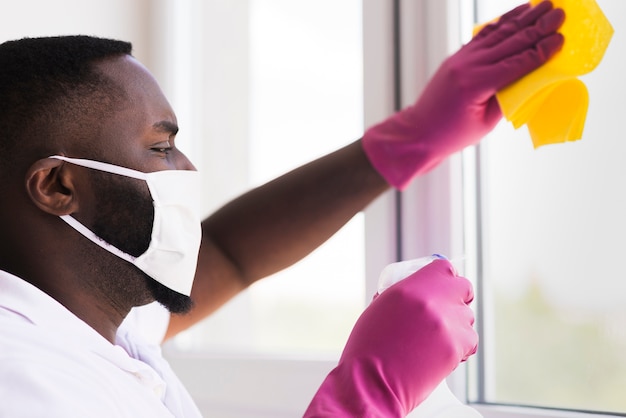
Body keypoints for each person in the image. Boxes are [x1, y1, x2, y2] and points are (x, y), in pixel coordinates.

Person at [0, 2, 564, 417]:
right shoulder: (26, 381)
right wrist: (364, 397)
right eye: (161, 147)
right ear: (56, 185)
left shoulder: (88, 315)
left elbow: (232, 252)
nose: (188, 170)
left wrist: (409, 139)